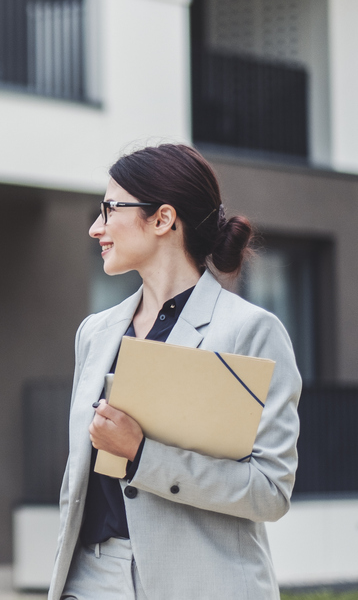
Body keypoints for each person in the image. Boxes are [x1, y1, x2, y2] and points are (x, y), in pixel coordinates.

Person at [50, 144, 301, 600]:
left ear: (163, 219)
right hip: (91, 580)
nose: (95, 228)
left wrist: (142, 455)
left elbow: (270, 491)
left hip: (201, 582)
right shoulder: (95, 332)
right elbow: (78, 482)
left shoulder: (250, 331)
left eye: (109, 209)